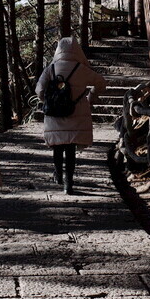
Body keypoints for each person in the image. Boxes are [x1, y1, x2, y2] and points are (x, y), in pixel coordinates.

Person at [36, 37, 107, 195]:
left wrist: (50, 100)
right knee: (70, 149)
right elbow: (101, 82)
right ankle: (69, 183)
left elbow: (39, 90)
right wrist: (90, 97)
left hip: (55, 114)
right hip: (77, 112)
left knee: (57, 146)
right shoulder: (81, 69)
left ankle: (58, 175)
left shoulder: (51, 68)